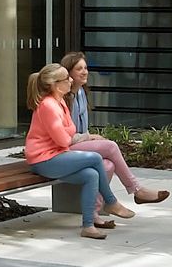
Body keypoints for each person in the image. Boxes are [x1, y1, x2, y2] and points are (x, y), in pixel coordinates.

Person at [23, 63, 128, 237]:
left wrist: (72, 136)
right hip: (43, 160)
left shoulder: (60, 102)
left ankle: (88, 226)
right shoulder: (48, 105)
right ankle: (111, 201)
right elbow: (64, 139)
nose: (71, 80)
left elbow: (70, 131)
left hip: (56, 155)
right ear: (56, 84)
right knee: (95, 158)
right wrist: (72, 137)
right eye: (66, 78)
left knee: (91, 175)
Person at [58, 52, 166, 204]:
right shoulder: (62, 98)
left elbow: (81, 129)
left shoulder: (81, 92)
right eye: (79, 69)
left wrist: (88, 136)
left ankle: (94, 211)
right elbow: (65, 136)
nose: (85, 72)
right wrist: (89, 137)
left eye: (86, 68)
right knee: (110, 146)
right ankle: (136, 190)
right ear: (68, 73)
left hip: (79, 143)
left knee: (108, 166)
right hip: (65, 149)